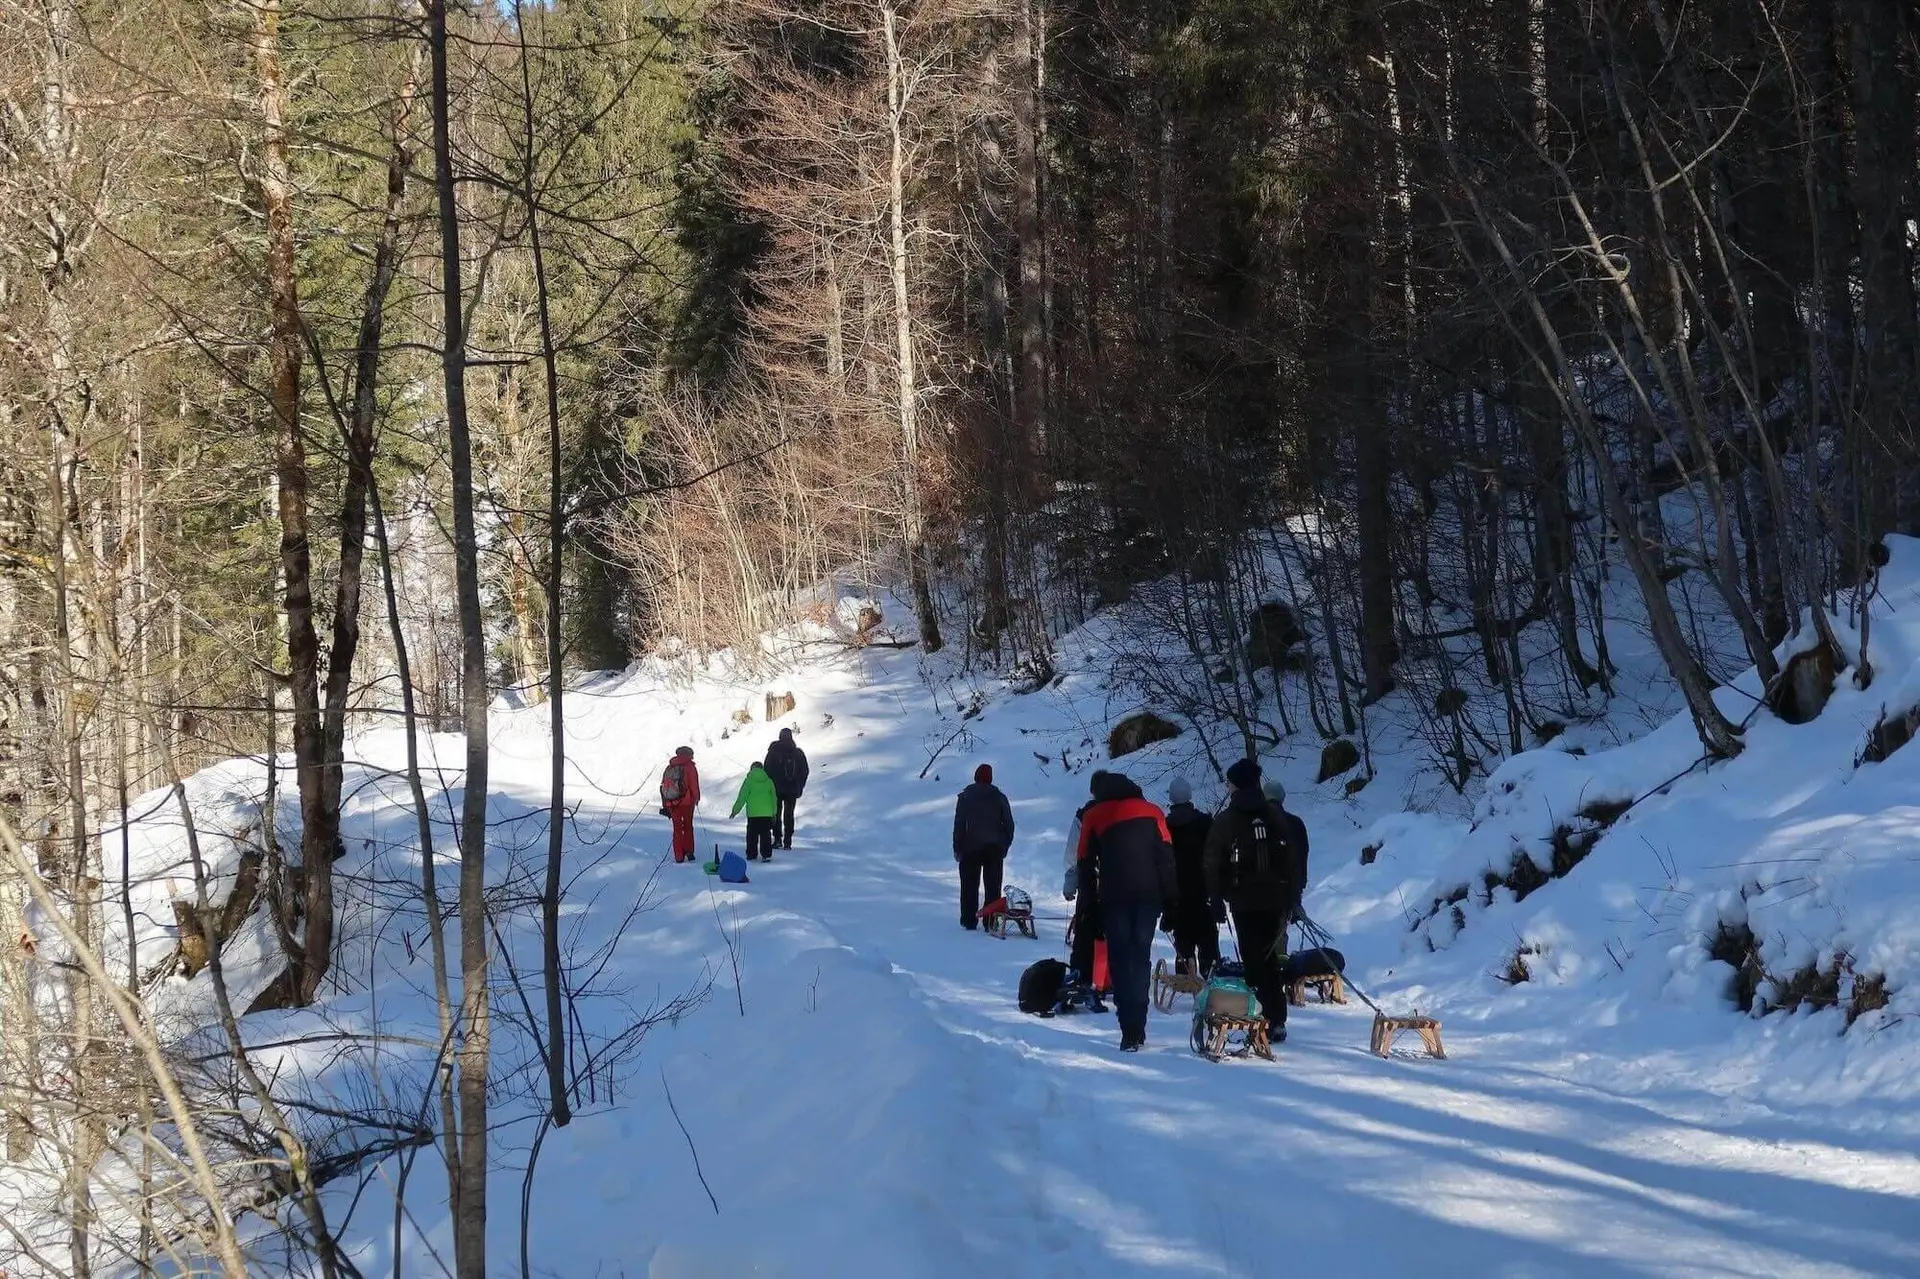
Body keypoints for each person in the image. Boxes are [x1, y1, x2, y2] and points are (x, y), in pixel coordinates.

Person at [1075, 771, 1177, 1052]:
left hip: (1113, 898)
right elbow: (1166, 859)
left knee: (1120, 960)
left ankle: (1128, 1027)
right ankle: (1139, 1022)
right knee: (1141, 957)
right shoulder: (1153, 811)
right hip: (1148, 897)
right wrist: (1171, 902)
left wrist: (1089, 908)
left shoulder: (1094, 815)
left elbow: (1084, 863)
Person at [1205, 758, 1306, 1043]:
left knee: (1252, 958)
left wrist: (1214, 897)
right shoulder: (1275, 816)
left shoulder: (1227, 820)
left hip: (1243, 899)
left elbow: (1212, 860)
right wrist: (1294, 897)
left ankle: (1257, 1015)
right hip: (1276, 899)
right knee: (1271, 959)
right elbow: (1293, 861)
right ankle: (1276, 1019)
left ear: (1236, 784)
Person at [1164, 778, 1221, 977]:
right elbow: (1215, 856)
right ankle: (1211, 970)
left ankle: (1184, 972)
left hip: (1177, 892)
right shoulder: (1205, 823)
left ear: (1171, 798)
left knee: (1182, 935)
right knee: (1207, 935)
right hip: (1202, 890)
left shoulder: (1165, 826)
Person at [952, 763, 1016, 930]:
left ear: (975, 777)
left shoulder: (965, 797)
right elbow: (1009, 824)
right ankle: (991, 921)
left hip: (969, 848)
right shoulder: (1000, 798)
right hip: (993, 849)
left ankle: (968, 920)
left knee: (968, 887)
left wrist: (957, 848)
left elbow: (959, 825)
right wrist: (1004, 845)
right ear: (990, 778)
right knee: (993, 889)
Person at [1062, 772, 1107, 995]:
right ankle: (1111, 975)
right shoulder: (1122, 813)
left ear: (1092, 790)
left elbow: (1073, 853)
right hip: (1120, 882)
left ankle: (1083, 973)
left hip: (1090, 879)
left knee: (1086, 926)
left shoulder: (1085, 814)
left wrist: (1070, 883)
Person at [763, 727, 810, 850]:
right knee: (789, 814)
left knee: (776, 814)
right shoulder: (798, 753)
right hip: (792, 790)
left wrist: (769, 785)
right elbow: (804, 771)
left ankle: (777, 839)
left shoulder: (773, 751)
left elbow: (766, 770)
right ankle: (788, 841)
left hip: (776, 789)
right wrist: (799, 786)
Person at [731, 761, 780, 862]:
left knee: (752, 835)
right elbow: (774, 798)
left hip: (753, 814)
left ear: (752, 769)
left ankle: (751, 854)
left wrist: (735, 811)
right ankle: (766, 854)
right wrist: (774, 813)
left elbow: (742, 797)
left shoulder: (749, 781)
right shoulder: (769, 781)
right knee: (765, 835)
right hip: (766, 814)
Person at [660, 746, 702, 864]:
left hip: (672, 802)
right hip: (687, 802)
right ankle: (689, 852)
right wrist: (696, 798)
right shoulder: (690, 767)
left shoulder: (670, 766)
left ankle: (678, 855)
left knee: (677, 828)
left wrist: (666, 803)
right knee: (688, 826)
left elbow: (664, 786)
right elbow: (694, 784)